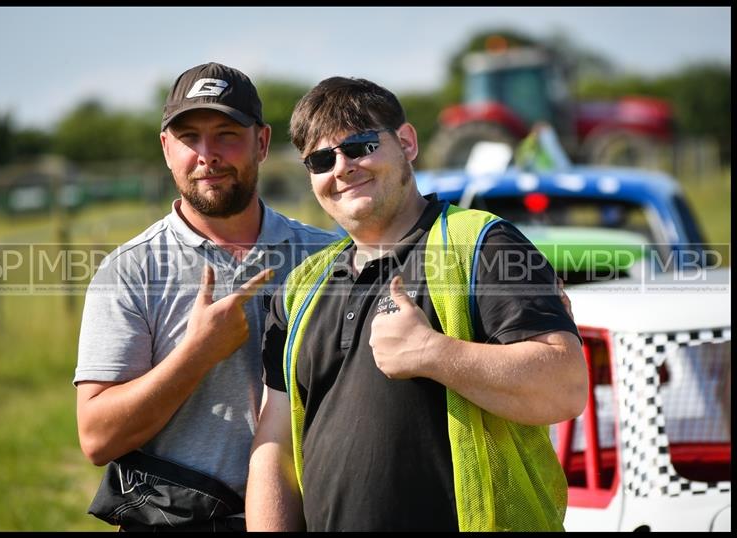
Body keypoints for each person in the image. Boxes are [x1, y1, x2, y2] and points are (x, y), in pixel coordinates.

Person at [245, 77, 588, 531]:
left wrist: (434, 353)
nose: (343, 168)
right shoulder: (301, 287)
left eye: (361, 146)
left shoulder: (484, 244)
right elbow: (276, 447)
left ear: (406, 142)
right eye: (322, 160)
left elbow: (565, 386)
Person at [74, 62, 337, 532]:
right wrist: (196, 355)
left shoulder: (325, 257)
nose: (207, 154)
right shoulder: (130, 270)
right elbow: (97, 438)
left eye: (226, 134)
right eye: (189, 137)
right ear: (165, 149)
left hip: (308, 516)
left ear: (261, 141)